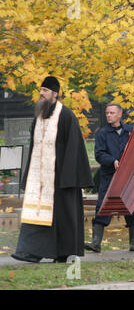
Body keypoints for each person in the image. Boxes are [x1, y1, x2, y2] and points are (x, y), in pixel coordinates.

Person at [12, 76, 93, 263]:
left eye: (45, 91)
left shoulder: (66, 115)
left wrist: (68, 177)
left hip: (61, 177)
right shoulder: (39, 117)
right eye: (40, 90)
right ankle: (31, 251)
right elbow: (34, 148)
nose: (41, 94)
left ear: (55, 94)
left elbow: (74, 148)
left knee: (62, 217)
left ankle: (63, 253)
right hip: (39, 178)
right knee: (36, 212)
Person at [85, 103, 134, 253]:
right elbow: (99, 154)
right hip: (109, 175)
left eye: (112, 113)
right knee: (102, 206)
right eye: (107, 113)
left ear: (120, 114)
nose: (109, 115)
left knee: (131, 206)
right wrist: (113, 161)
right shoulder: (102, 133)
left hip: (127, 176)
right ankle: (96, 242)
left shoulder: (130, 131)